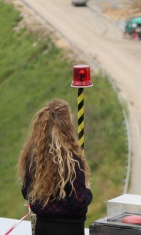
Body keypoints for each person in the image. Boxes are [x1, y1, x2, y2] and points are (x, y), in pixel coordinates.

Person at [17, 99, 93, 235]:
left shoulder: (34, 158)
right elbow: (78, 203)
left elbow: (26, 192)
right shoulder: (71, 161)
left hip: (42, 226)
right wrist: (87, 191)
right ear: (67, 126)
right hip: (69, 229)